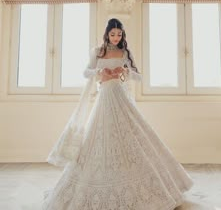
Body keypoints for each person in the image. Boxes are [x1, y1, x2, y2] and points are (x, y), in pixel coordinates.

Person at [43, 18, 194, 210]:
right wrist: (101, 71)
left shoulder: (124, 52)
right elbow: (85, 73)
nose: (116, 38)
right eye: (113, 34)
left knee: (133, 138)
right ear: (106, 34)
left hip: (121, 98)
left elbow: (138, 76)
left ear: (122, 35)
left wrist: (124, 70)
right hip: (104, 99)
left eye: (119, 34)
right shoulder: (98, 52)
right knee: (99, 138)